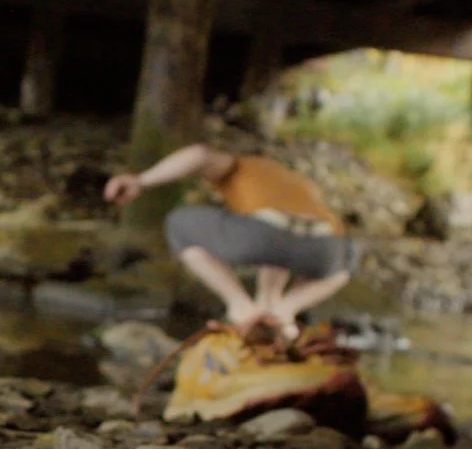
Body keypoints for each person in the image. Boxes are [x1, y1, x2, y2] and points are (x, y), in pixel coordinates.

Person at [104, 144, 353, 338]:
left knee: (180, 223)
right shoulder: (299, 186)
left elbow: (199, 154)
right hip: (329, 246)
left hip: (265, 232)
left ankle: (239, 307)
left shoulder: (243, 166)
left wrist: (141, 180)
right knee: (321, 265)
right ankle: (283, 314)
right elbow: (283, 251)